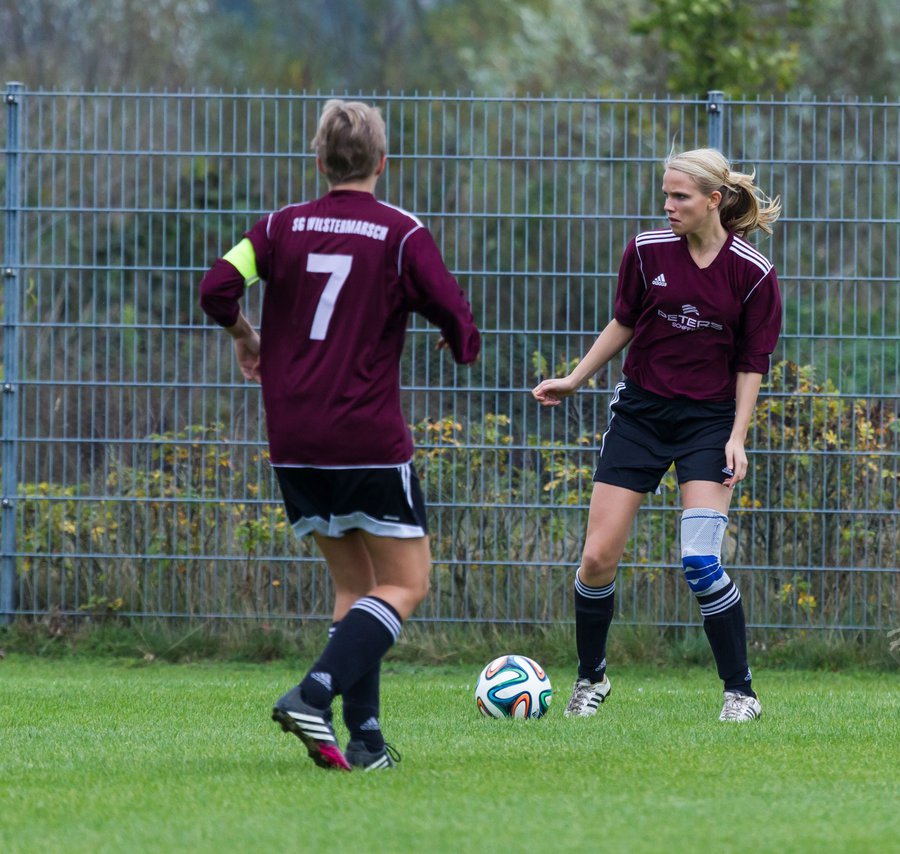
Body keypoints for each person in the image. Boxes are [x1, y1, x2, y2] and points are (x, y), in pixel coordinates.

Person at [199, 99, 480, 769]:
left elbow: (216, 288)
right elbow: (456, 315)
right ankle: (313, 692)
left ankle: (368, 740)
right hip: (366, 435)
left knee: (356, 591)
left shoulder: (276, 229)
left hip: (294, 436)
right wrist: (457, 340)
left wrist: (246, 334)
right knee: (406, 585)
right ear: (383, 163)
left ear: (320, 161)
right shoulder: (401, 235)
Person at [533, 147, 782, 722]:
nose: (668, 206)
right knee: (596, 559)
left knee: (700, 561)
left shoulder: (754, 272)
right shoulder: (646, 253)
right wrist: (575, 378)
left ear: (714, 201)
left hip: (709, 426)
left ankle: (740, 693)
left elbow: (752, 364)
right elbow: (624, 320)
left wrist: (737, 437)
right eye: (665, 195)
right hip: (640, 417)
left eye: (680, 197)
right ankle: (591, 680)